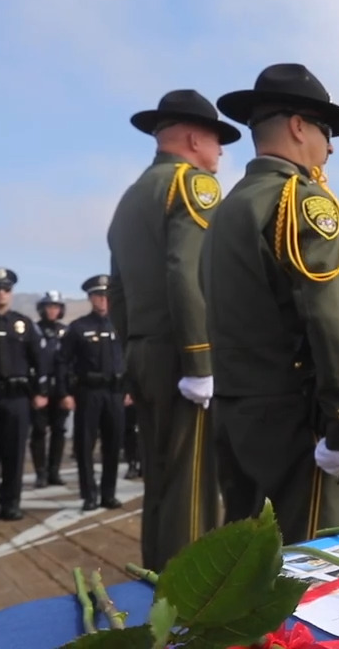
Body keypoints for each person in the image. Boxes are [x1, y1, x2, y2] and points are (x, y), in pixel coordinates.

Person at [204, 63, 339, 540]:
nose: (331, 145)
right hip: (295, 422)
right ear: (299, 126)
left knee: (245, 561)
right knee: (311, 569)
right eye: (325, 129)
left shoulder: (229, 207)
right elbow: (334, 321)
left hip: (236, 411)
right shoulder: (302, 201)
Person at [107, 89, 240, 570]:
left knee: (161, 477)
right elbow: (188, 272)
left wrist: (133, 350)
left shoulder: (131, 197)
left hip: (145, 350)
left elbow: (118, 293)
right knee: (192, 484)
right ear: (192, 138)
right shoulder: (192, 185)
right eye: (216, 140)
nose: (221, 151)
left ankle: (157, 575)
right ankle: (188, 596)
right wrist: (200, 359)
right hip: (182, 353)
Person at [0, 268, 48, 524]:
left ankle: (11, 503)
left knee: (14, 453)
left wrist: (41, 392)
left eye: (6, 289)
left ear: (11, 292)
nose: (1, 293)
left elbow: (40, 361)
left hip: (17, 397)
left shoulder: (23, 324)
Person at [60, 275, 127, 511]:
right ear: (90, 298)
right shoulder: (78, 328)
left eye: (107, 296)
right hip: (89, 393)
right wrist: (65, 393)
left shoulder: (120, 325)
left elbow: (129, 359)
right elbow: (63, 363)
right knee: (85, 445)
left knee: (113, 444)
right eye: (99, 295)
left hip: (116, 393)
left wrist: (130, 389)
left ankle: (108, 494)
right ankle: (89, 494)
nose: (104, 300)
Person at [31, 290, 69, 488]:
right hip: (40, 390)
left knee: (59, 431)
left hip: (60, 390)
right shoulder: (33, 330)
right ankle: (40, 473)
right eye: (49, 306)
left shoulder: (66, 332)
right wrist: (36, 390)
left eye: (56, 307)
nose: (52, 310)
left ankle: (54, 471)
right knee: (38, 431)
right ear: (42, 309)